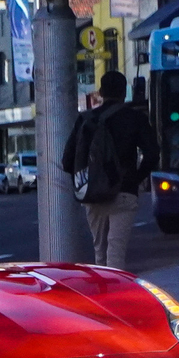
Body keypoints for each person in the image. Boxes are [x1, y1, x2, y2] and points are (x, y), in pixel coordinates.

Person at [64, 70, 152, 270]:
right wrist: (135, 179)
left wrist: (87, 182)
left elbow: (67, 161)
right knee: (116, 252)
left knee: (100, 254)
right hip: (124, 191)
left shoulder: (85, 119)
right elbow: (153, 154)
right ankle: (115, 295)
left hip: (93, 194)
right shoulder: (134, 118)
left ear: (101, 92)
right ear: (124, 92)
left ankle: (103, 294)